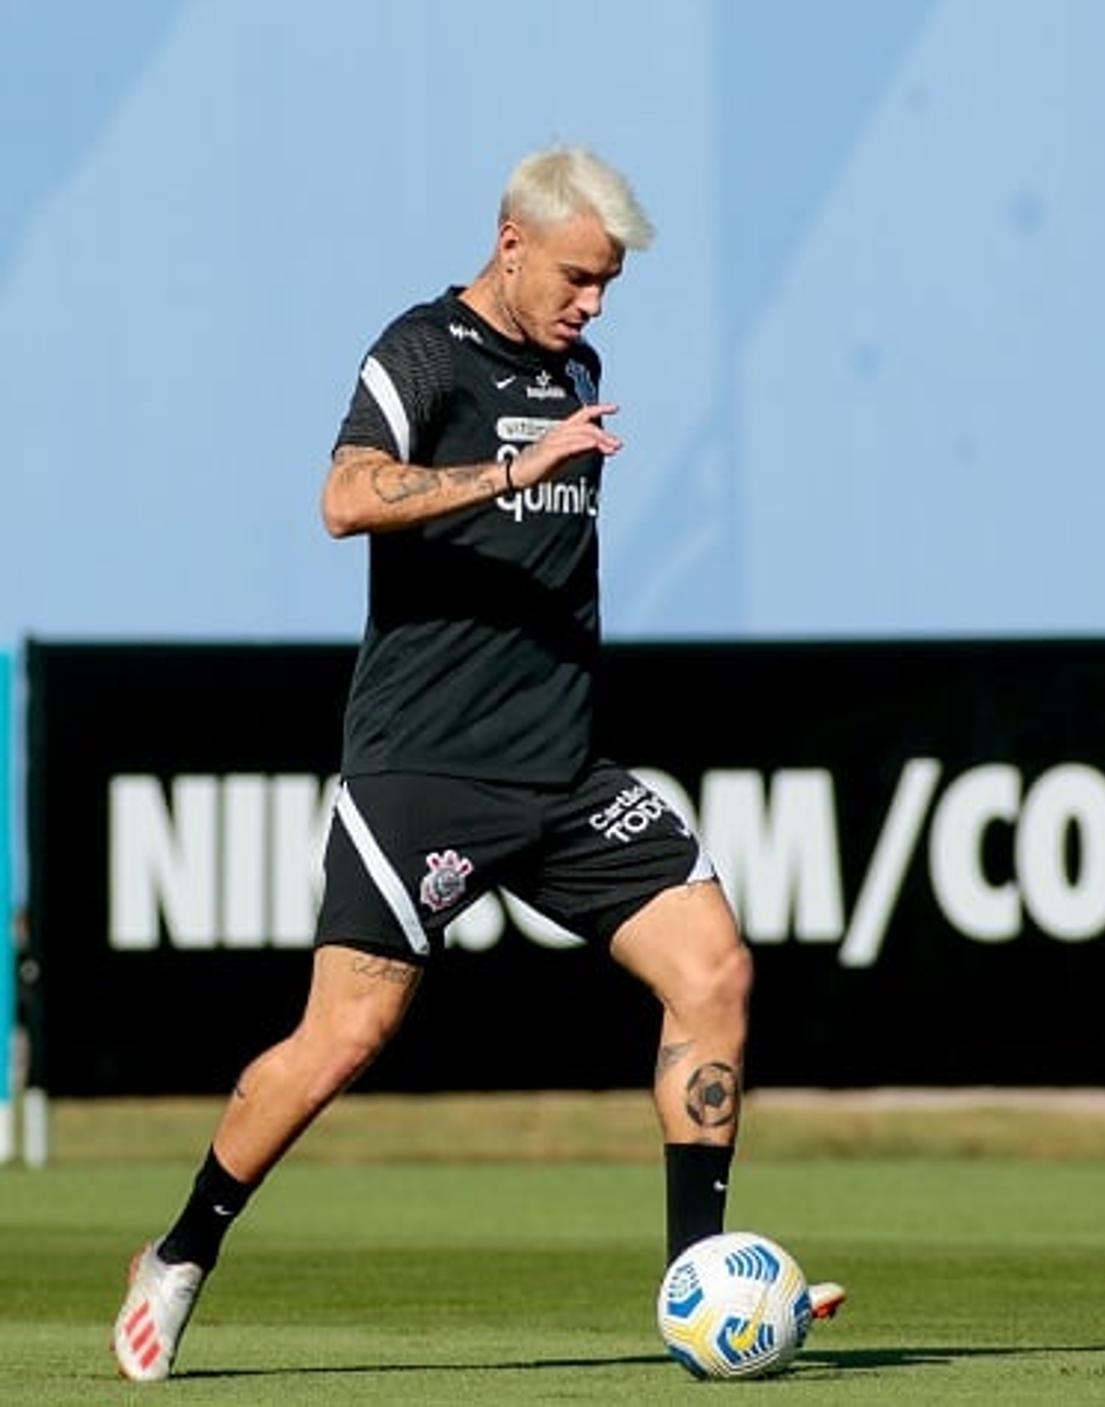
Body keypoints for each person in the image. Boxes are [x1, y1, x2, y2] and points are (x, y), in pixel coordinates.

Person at [112, 147, 842, 1383]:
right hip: (422, 773)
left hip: (564, 774)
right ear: (512, 243)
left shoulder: (577, 369)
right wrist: (511, 469)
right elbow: (342, 500)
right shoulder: (421, 353)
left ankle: (699, 1286)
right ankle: (181, 1254)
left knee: (714, 970)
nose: (593, 306)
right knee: (343, 1039)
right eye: (576, 277)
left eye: (608, 286)